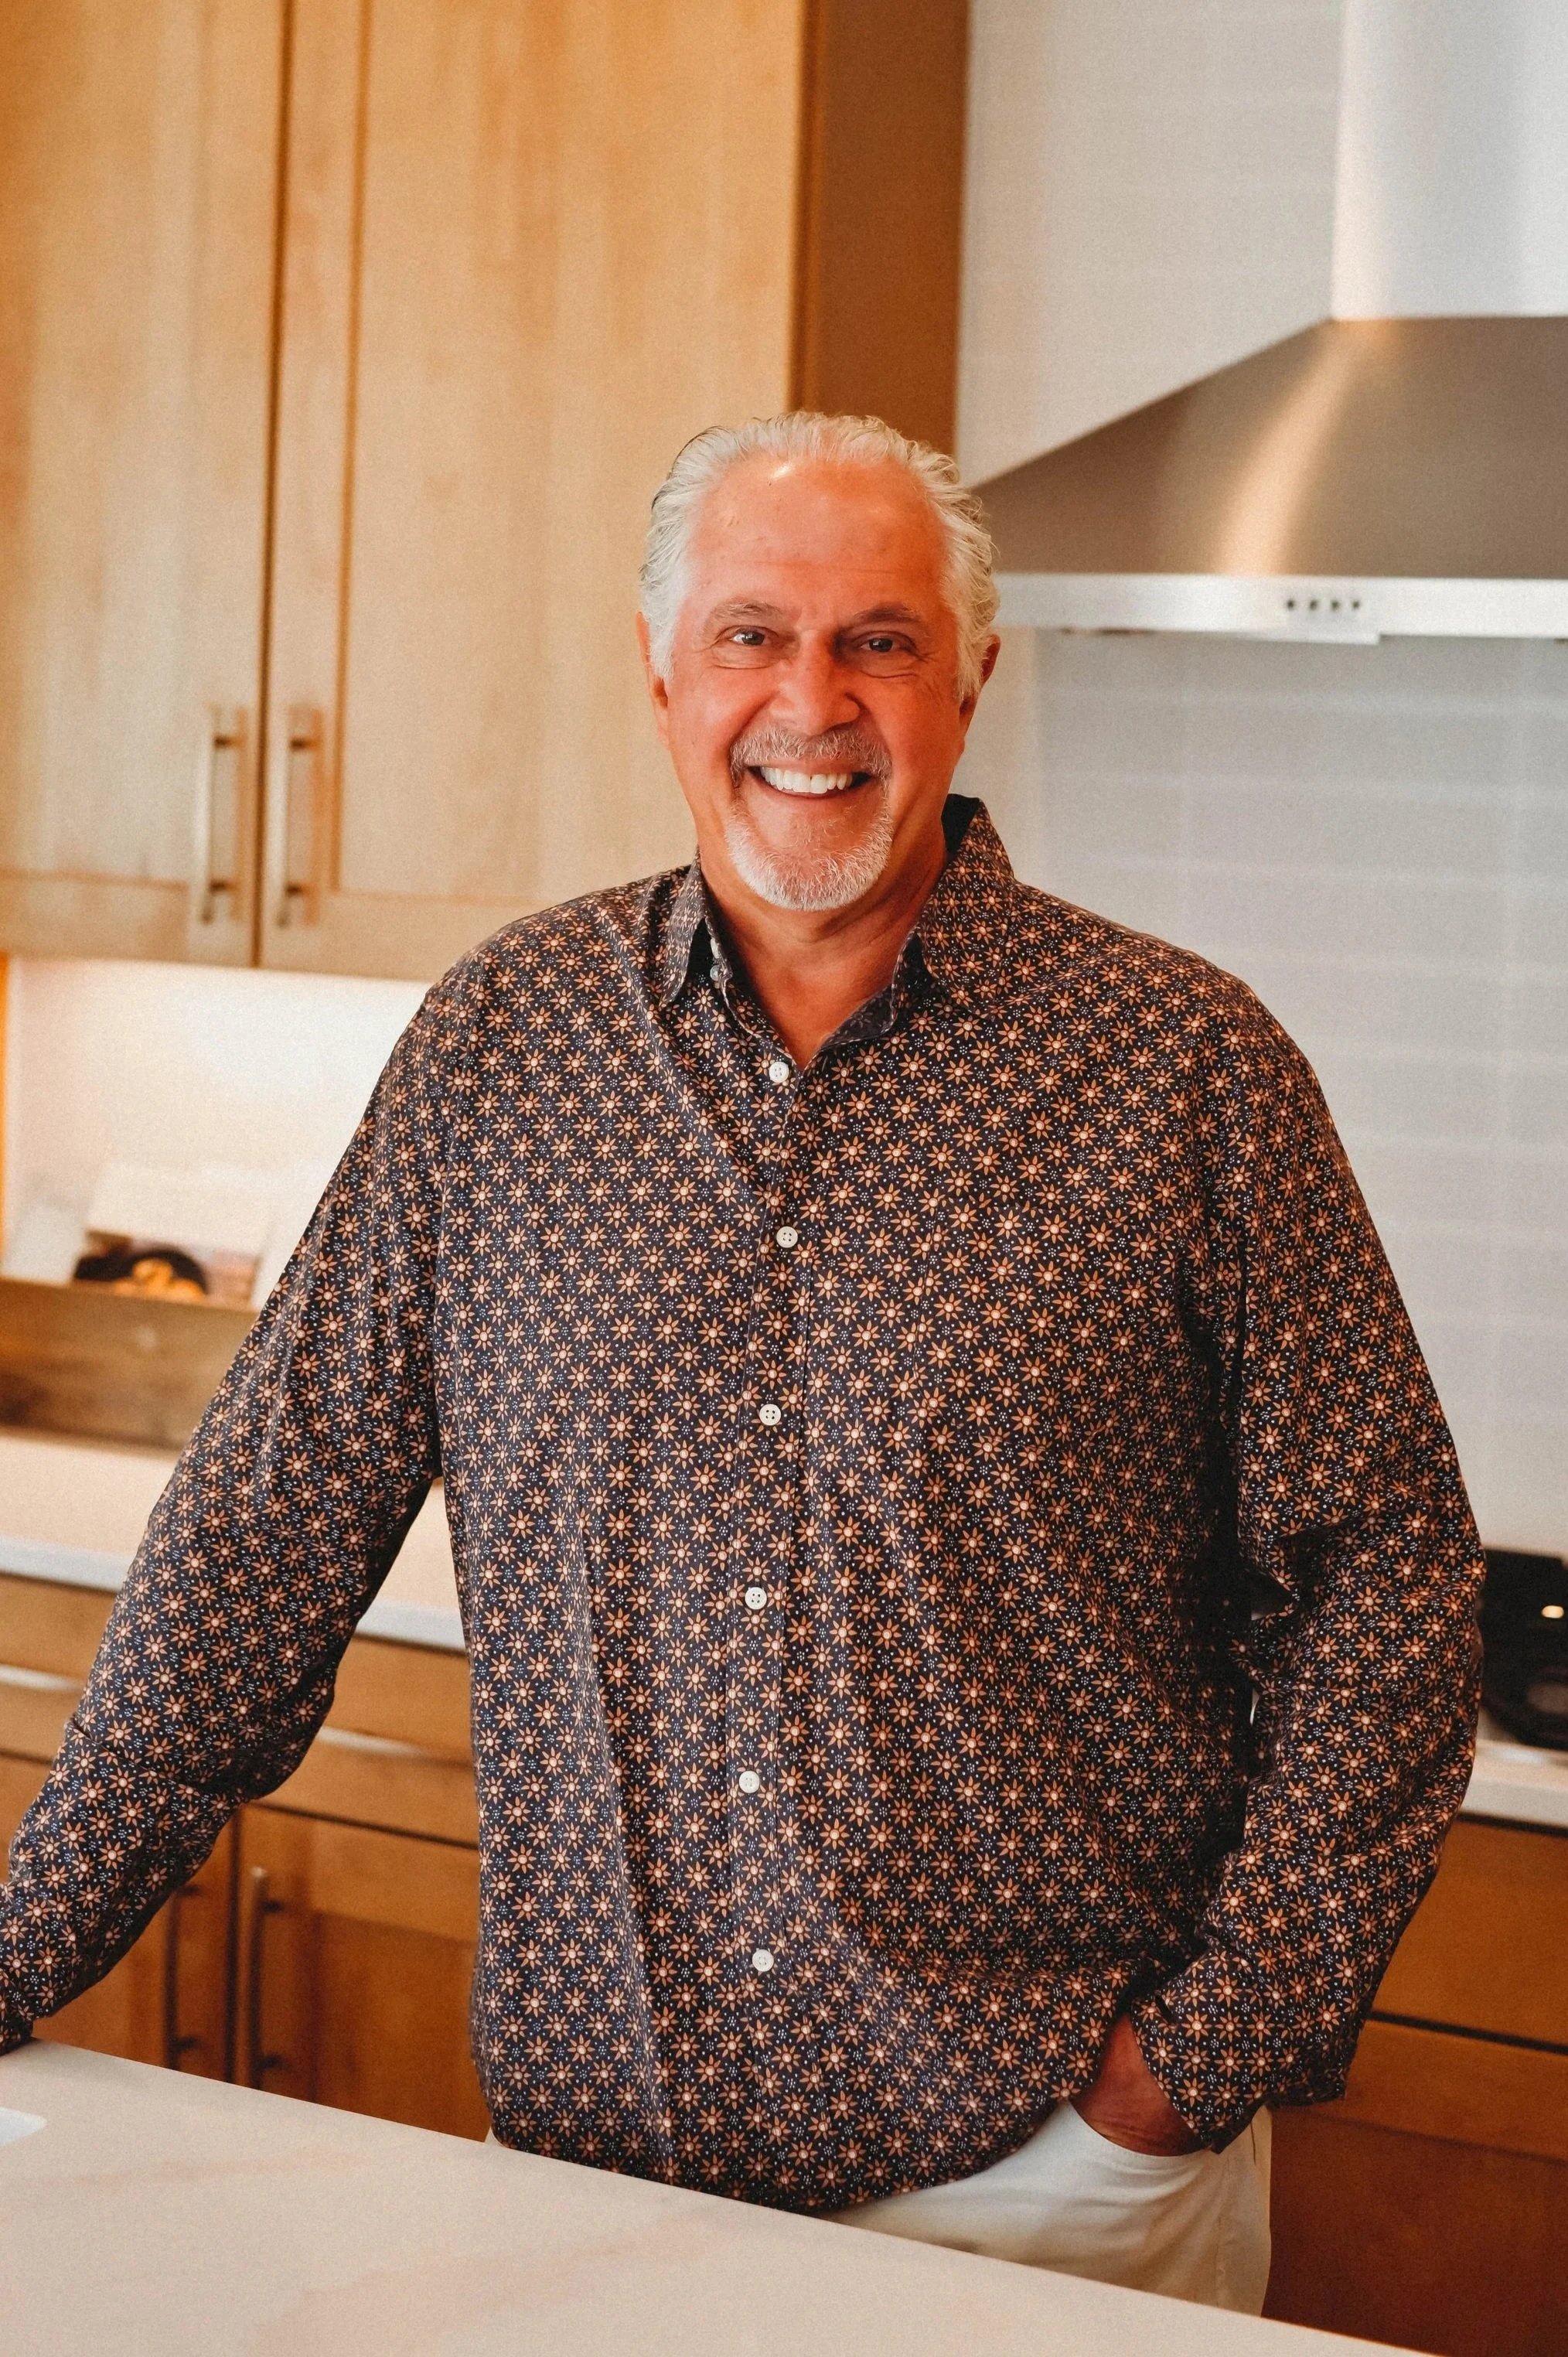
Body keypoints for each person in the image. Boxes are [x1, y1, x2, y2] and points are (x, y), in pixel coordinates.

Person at [0, 413, 1482, 2312]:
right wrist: (20, 1945)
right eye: (752, 636)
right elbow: (260, 1540)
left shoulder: (1184, 1071)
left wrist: (1189, 2071)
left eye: (880, 641)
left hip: (1044, 2191)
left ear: (970, 682)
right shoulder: (499, 1048)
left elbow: (1392, 1578)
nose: (815, 701)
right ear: (661, 673)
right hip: (586, 2178)